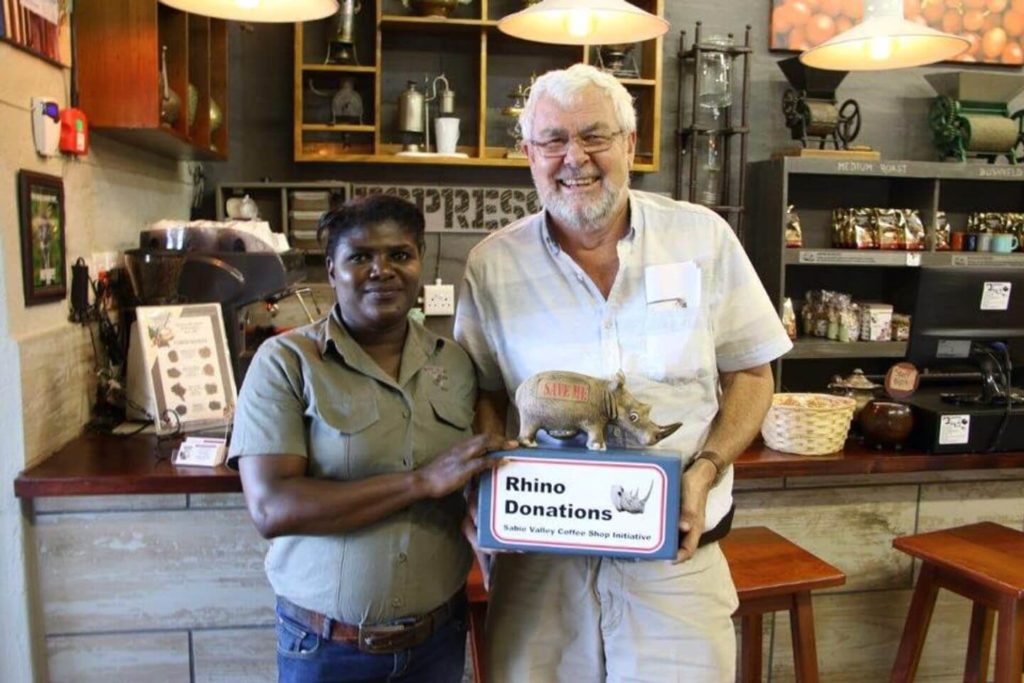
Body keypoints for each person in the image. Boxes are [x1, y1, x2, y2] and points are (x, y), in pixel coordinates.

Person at [454, 63, 793, 682]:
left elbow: (752, 374)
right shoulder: (492, 265)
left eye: (594, 136)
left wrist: (707, 468)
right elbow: (484, 390)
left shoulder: (703, 238)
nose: (574, 158)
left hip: (676, 557)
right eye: (553, 140)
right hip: (540, 564)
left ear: (630, 144)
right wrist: (489, 487)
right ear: (529, 154)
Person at [229, 194, 509, 683]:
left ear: (419, 262)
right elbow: (272, 508)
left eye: (400, 254)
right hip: (327, 650)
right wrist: (420, 482)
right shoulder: (286, 362)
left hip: (437, 642)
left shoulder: (455, 364)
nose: (382, 270)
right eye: (360, 257)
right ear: (332, 270)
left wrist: (487, 513)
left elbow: (473, 474)